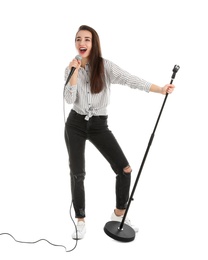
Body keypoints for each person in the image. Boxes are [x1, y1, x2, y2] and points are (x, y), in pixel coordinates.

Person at [64, 25, 175, 240]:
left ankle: (118, 215)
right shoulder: (70, 69)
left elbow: (130, 79)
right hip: (75, 124)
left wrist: (160, 89)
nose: (82, 43)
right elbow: (69, 99)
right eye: (78, 39)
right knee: (78, 173)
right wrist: (74, 72)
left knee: (124, 169)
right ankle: (80, 220)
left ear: (94, 43)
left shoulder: (105, 67)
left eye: (87, 39)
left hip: (99, 125)